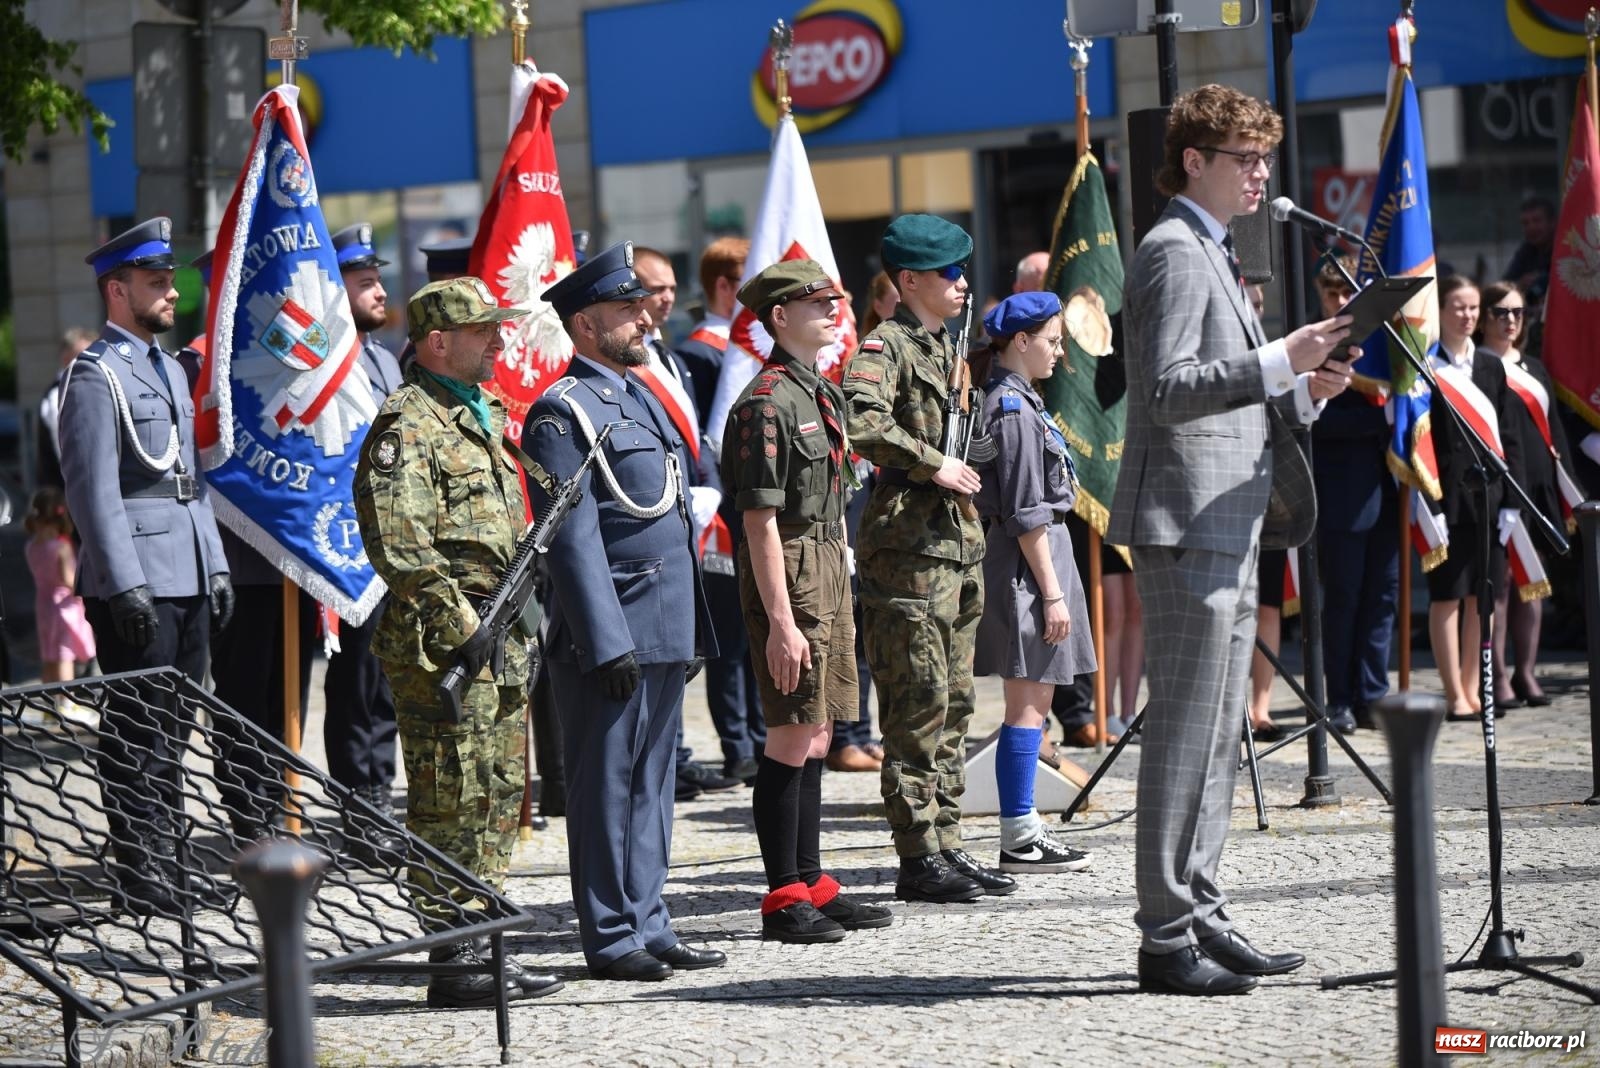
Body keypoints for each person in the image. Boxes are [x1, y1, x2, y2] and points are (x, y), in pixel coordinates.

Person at [1108, 85, 1358, 995]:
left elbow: (1229, 390)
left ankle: (1196, 913)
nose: (1261, 174)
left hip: (1225, 514)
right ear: (1193, 164)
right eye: (1243, 158)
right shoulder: (1174, 251)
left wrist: (1302, 390)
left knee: (1217, 734)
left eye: (1264, 157)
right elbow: (1167, 389)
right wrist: (1278, 359)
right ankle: (1168, 935)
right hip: (1188, 520)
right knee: (1187, 734)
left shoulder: (1214, 249)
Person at [353, 276, 562, 1008]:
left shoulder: (484, 412)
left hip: (501, 632)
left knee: (500, 789)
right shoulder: (406, 424)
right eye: (482, 331)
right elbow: (402, 546)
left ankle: (484, 933)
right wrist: (462, 625)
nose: (498, 340)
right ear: (438, 341)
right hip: (445, 640)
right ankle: (453, 954)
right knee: (451, 794)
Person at [523, 241, 723, 981]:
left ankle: (650, 919)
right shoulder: (561, 412)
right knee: (607, 786)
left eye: (641, 306)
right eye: (624, 309)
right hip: (610, 632)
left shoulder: (639, 394)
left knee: (653, 786)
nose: (643, 319)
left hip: (664, 620)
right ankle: (610, 937)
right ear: (584, 324)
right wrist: (605, 642)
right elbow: (571, 540)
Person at [59, 217, 234, 914]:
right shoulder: (96, 373)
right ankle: (141, 875)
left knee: (178, 724)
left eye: (170, 281)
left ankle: (170, 857)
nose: (171, 292)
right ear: (117, 289)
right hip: (138, 579)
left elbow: (191, 479)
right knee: (138, 729)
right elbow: (92, 488)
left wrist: (215, 564)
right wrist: (123, 581)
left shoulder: (166, 367)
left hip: (186, 567)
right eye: (156, 283)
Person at [721, 258, 895, 942]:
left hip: (826, 558)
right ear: (779, 318)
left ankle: (812, 879)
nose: (832, 310)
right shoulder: (767, 401)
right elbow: (759, 520)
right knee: (793, 729)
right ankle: (782, 895)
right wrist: (781, 624)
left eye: (834, 300)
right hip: (789, 568)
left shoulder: (814, 390)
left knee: (819, 726)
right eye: (816, 303)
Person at [844, 212, 1014, 903]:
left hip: (956, 548)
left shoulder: (946, 346)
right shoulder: (884, 348)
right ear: (909, 280)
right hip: (908, 553)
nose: (961, 283)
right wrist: (933, 463)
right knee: (915, 707)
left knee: (955, 705)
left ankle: (948, 841)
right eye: (948, 273)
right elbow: (863, 421)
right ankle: (917, 856)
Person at [970, 292, 1096, 875]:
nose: (1060, 350)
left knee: (1036, 701)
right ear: (1020, 342)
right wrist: (1051, 594)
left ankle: (1024, 828)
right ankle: (1019, 832)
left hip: (1040, 557)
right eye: (1052, 340)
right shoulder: (1013, 409)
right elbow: (1025, 510)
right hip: (1030, 564)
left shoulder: (1021, 399)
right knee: (1027, 703)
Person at [634, 245, 745, 798]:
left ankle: (676, 753)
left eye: (672, 286)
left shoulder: (669, 357)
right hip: (654, 517)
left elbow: (696, 435)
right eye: (656, 288)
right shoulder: (634, 359)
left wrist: (711, 491)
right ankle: (666, 756)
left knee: (682, 641)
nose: (668, 297)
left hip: (692, 509)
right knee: (660, 641)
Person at [677, 237, 772, 784]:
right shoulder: (700, 352)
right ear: (723, 286)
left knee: (759, 627)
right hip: (722, 510)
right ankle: (739, 743)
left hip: (757, 503)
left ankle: (761, 736)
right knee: (730, 636)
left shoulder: (749, 345)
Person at [324, 223, 405, 840]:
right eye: (366, 282)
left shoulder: (382, 357)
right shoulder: (322, 357)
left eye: (379, 280)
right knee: (355, 679)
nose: (381, 292)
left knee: (388, 673)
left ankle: (382, 784)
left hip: (392, 539)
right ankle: (360, 802)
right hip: (345, 542)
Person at [1428, 275, 1520, 720]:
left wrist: (1513, 503)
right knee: (1448, 593)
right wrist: (1429, 505)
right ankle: (1453, 694)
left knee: (1479, 597)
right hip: (1446, 499)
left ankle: (1473, 686)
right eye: (1457, 307)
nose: (1466, 316)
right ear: (1441, 312)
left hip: (1489, 497)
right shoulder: (1426, 365)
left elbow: (1509, 434)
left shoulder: (1489, 366)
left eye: (1472, 308)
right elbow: (1419, 442)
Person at [1478, 280, 1574, 708]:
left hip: (1536, 488)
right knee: (1500, 586)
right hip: (1500, 490)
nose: (1512, 321)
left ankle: (1527, 673)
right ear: (1484, 318)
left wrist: (1565, 486)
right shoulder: (1477, 367)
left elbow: (1556, 434)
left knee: (1533, 584)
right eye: (1502, 313)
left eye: (1518, 313)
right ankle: (1496, 677)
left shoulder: (1535, 368)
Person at [23, 487, 97, 727]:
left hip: (42, 603)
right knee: (65, 655)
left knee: (49, 655)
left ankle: (47, 704)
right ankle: (66, 702)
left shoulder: (32, 546)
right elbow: (68, 579)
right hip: (64, 606)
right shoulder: (62, 547)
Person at [35, 327, 96, 490]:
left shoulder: (85, 388)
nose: (92, 362)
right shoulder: (58, 395)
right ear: (65, 358)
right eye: (83, 356)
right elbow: (67, 456)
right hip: (72, 495)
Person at [1503, 195, 1556, 310]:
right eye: (1525, 223)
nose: (1531, 227)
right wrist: (1519, 284)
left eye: (1536, 221)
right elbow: (1504, 285)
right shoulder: (1526, 250)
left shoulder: (1566, 249)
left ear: (1552, 222)